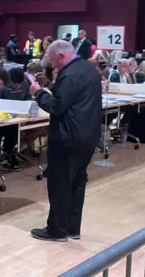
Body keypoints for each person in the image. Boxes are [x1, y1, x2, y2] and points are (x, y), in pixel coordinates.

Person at [29, 40, 102, 242]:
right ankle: (72, 228)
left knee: (60, 183)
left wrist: (39, 93)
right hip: (88, 135)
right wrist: (49, 85)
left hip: (67, 137)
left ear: (62, 56)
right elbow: (71, 96)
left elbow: (58, 106)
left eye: (53, 61)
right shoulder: (88, 68)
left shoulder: (69, 74)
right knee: (77, 182)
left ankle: (57, 230)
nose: (53, 65)